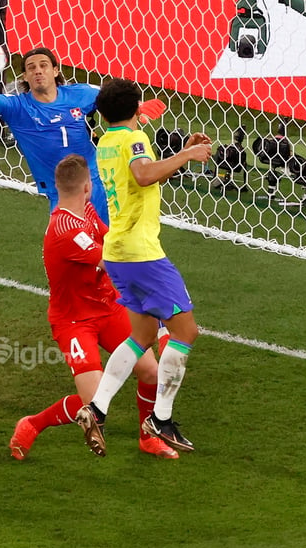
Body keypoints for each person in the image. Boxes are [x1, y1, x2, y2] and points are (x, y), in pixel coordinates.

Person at [9, 155, 178, 460]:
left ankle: (147, 437)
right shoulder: (64, 230)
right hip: (75, 321)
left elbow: (108, 239)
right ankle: (33, 424)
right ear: (88, 186)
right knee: (95, 402)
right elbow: (111, 262)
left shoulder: (84, 210)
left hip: (106, 307)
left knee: (150, 371)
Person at [87, 78, 213, 453]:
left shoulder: (106, 142)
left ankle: (97, 407)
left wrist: (177, 155)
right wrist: (188, 156)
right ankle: (160, 418)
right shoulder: (133, 140)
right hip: (143, 254)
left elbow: (140, 175)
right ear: (136, 108)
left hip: (117, 254)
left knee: (141, 337)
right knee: (186, 332)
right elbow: (144, 174)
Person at [0, 47, 167, 223]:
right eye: (31, 68)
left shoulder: (80, 93)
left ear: (55, 71)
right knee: (72, 250)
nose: (37, 70)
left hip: (98, 184)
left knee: (111, 244)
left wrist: (137, 106)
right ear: (25, 77)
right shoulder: (16, 107)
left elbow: (112, 97)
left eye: (43, 65)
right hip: (62, 192)